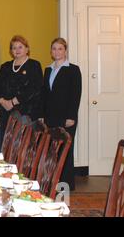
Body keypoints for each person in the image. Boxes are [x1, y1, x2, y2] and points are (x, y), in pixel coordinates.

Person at [43, 38, 82, 191]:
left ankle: (66, 184)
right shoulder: (48, 69)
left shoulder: (73, 69)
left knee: (65, 149)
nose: (57, 51)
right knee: (52, 150)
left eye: (60, 48)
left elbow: (75, 94)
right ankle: (53, 181)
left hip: (67, 117)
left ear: (65, 51)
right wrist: (42, 115)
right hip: (50, 116)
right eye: (54, 48)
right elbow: (45, 95)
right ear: (51, 52)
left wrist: (71, 116)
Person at [0, 35, 43, 152]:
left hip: (26, 112)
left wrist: (13, 102)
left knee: (23, 147)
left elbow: (35, 88)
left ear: (27, 49)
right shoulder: (5, 66)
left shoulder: (34, 65)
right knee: (7, 146)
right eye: (14, 47)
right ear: (11, 51)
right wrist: (2, 101)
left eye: (20, 47)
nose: (17, 50)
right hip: (6, 111)